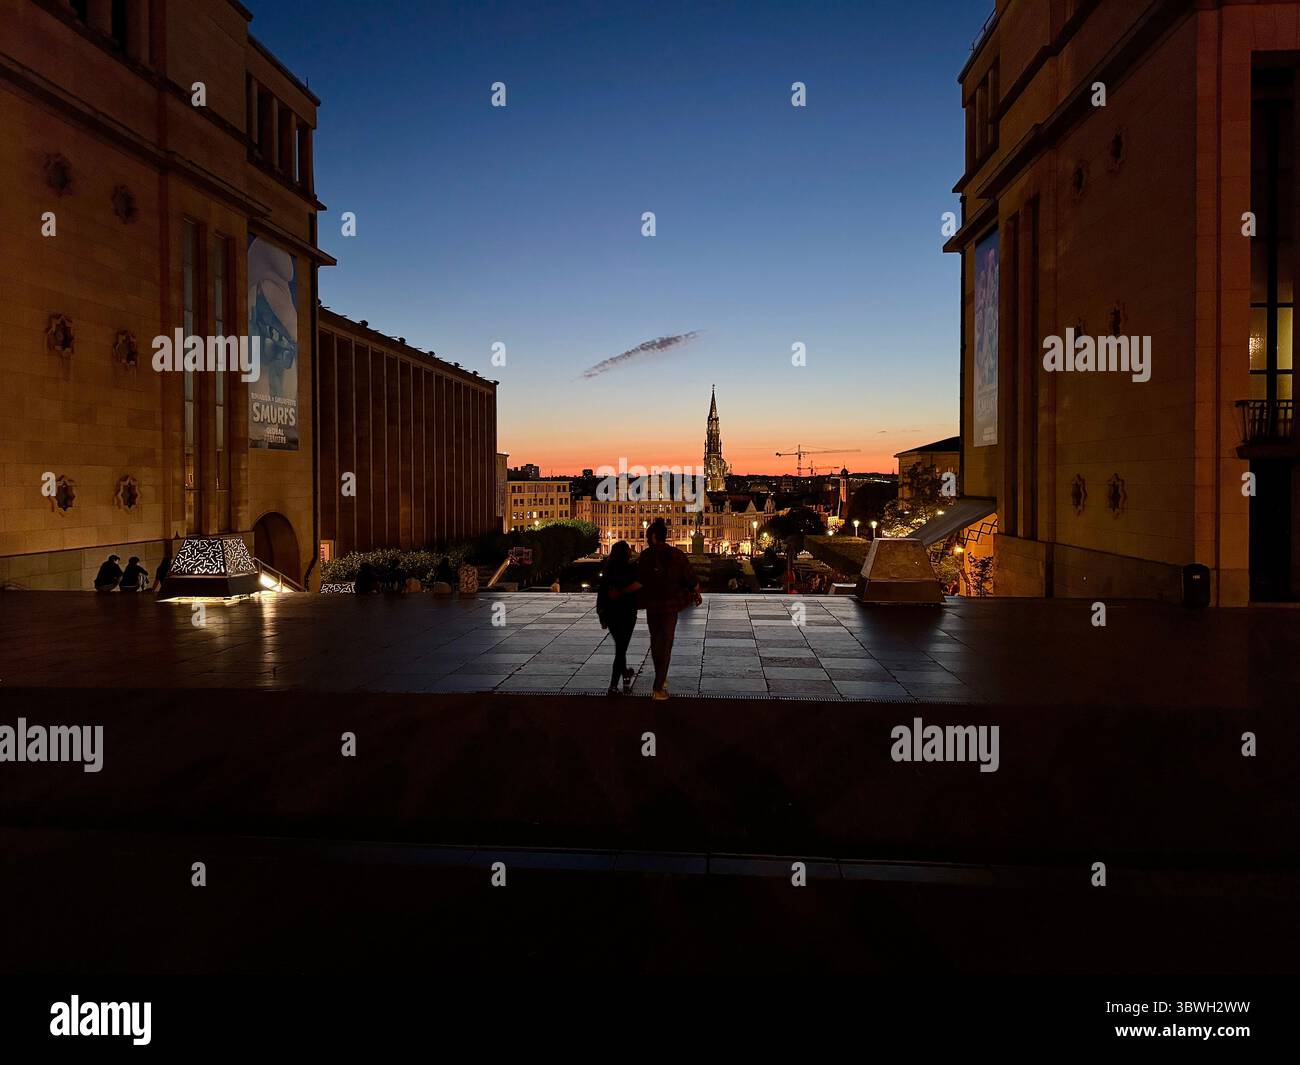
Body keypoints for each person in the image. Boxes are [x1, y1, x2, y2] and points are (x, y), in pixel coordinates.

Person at [635, 518, 702, 701]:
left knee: (656, 642)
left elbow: (639, 579)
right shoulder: (677, 554)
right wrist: (696, 592)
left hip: (652, 604)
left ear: (654, 537)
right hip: (670, 605)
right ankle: (658, 687)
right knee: (666, 643)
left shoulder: (646, 555)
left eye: (649, 536)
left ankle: (660, 679)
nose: (648, 539)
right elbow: (690, 578)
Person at [596, 541, 639, 695]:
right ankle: (613, 686)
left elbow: (601, 592)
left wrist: (601, 613)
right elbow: (638, 584)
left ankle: (625, 673)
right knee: (621, 649)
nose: (630, 550)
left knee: (621, 647)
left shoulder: (608, 569)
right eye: (628, 548)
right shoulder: (631, 568)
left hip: (610, 613)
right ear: (624, 552)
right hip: (627, 613)